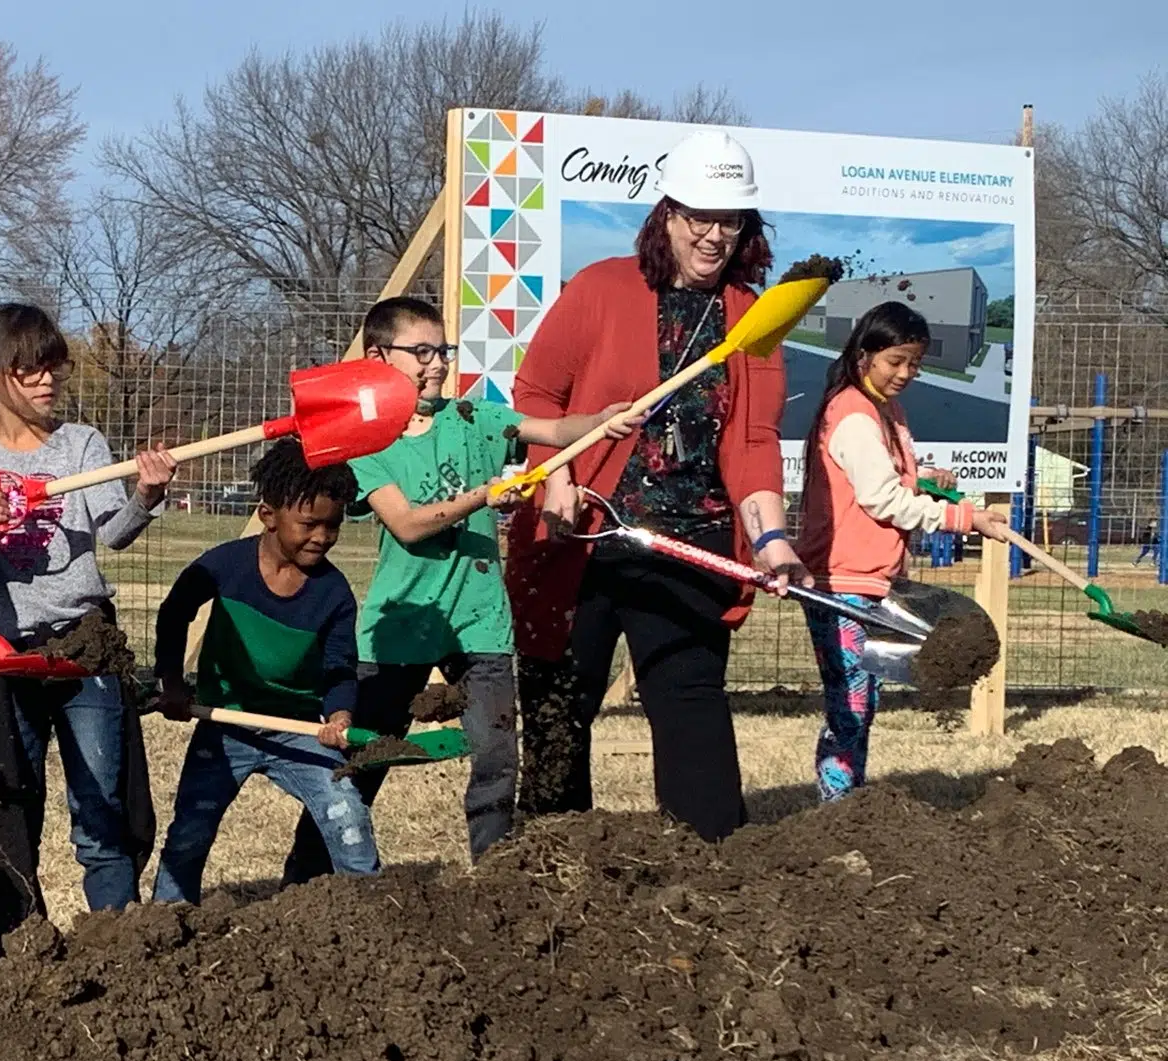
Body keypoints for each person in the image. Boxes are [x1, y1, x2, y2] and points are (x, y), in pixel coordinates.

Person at [282, 295, 634, 882]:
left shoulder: (475, 418)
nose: (437, 364)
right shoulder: (371, 443)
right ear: (378, 356)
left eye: (442, 351)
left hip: (479, 621)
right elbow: (409, 524)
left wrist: (601, 421)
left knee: (497, 759)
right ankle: (310, 879)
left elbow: (551, 429)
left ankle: (494, 879)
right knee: (362, 762)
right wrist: (484, 496)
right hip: (403, 623)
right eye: (420, 352)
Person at [509, 129, 799, 842]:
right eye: (697, 215)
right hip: (583, 532)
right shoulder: (602, 288)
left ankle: (708, 860)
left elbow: (753, 442)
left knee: (689, 696)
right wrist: (558, 485)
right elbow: (538, 395)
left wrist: (772, 542)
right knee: (559, 700)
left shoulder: (752, 318)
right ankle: (552, 853)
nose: (712, 234)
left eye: (729, 220)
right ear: (665, 214)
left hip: (689, 540)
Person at [0, 303, 175, 955]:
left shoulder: (82, 446)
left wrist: (147, 496)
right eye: (29, 370)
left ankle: (118, 942)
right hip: (5, 654)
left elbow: (117, 535)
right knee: (14, 809)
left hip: (82, 647)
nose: (47, 381)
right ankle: (14, 950)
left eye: (53, 367)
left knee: (101, 806)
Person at [794, 302, 1006, 799]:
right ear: (865, 354)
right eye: (896, 361)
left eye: (915, 363)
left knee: (862, 702)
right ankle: (838, 808)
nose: (906, 373)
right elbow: (881, 498)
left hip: (871, 580)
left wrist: (924, 479)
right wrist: (964, 519)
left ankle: (851, 801)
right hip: (840, 582)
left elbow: (885, 478)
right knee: (848, 704)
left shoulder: (886, 412)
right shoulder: (852, 412)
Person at [152, 439, 376, 904]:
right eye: (309, 523)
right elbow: (175, 613)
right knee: (190, 830)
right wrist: (171, 681)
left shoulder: (332, 594)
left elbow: (340, 669)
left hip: (297, 731)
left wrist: (339, 717)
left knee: (348, 815)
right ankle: (167, 916)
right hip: (224, 722)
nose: (321, 536)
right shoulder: (225, 567)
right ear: (269, 515)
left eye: (333, 526)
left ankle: (369, 909)